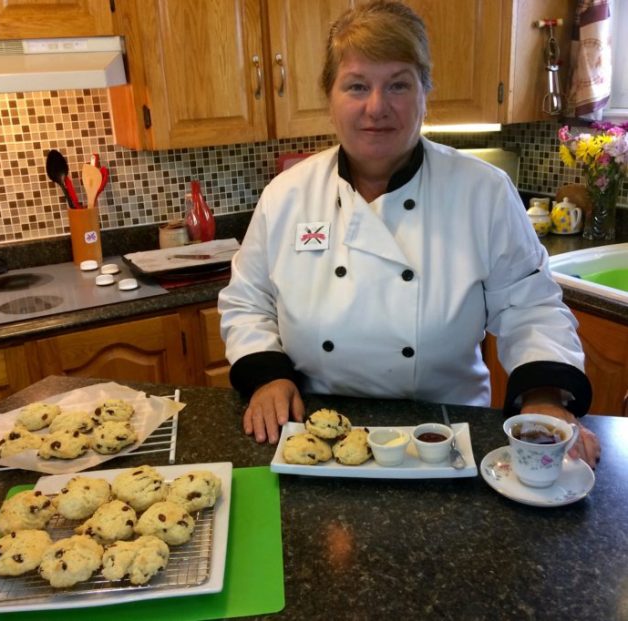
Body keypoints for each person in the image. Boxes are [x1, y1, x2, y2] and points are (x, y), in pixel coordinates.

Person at [218, 0, 600, 466]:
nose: (376, 107)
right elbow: (247, 300)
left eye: (398, 84)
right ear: (329, 97)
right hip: (318, 434)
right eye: (356, 85)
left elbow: (531, 305)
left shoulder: (482, 191)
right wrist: (266, 375)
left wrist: (544, 396)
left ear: (425, 94)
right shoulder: (288, 194)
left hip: (445, 433)